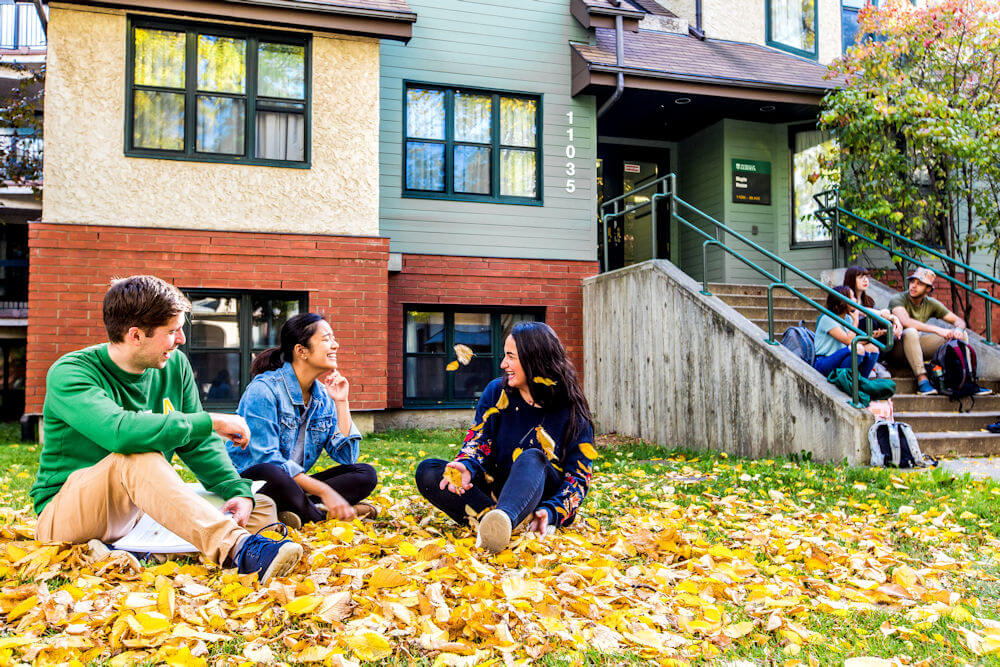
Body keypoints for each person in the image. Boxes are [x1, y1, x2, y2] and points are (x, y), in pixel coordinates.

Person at [30, 276, 302, 583]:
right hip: (65, 513)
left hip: (136, 511)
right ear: (135, 335)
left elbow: (196, 444)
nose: (182, 339)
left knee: (255, 503)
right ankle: (241, 549)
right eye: (172, 331)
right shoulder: (71, 373)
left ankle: (127, 552)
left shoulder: (175, 366)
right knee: (135, 456)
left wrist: (235, 489)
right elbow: (121, 433)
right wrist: (211, 421)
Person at [415, 321, 595, 554]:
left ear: (535, 360)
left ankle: (506, 521)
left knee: (533, 457)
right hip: (496, 491)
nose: (503, 364)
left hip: (541, 499)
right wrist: (466, 466)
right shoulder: (495, 392)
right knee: (429, 471)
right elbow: (478, 441)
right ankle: (498, 522)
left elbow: (579, 479)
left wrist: (552, 512)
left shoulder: (572, 410)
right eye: (504, 356)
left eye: (511, 356)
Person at [226, 313, 377, 529]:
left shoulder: (323, 396)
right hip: (252, 482)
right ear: (301, 351)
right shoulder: (264, 389)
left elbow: (346, 456)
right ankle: (319, 517)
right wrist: (324, 491)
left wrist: (341, 402)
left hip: (292, 485)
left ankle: (293, 511)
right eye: (326, 339)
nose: (335, 345)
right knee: (274, 472)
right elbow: (267, 459)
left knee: (364, 474)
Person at [888, 267, 991, 396]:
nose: (913, 286)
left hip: (916, 346)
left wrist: (958, 330)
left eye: (919, 283)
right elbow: (905, 321)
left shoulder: (930, 304)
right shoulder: (898, 299)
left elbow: (959, 321)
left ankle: (965, 379)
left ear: (928, 289)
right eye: (912, 281)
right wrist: (938, 330)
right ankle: (922, 380)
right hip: (895, 349)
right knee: (911, 331)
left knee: (961, 335)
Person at [813, 286, 880, 378]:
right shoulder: (827, 319)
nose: (855, 300)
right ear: (841, 301)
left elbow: (854, 341)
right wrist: (856, 321)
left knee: (873, 348)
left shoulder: (848, 318)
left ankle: (860, 383)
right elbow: (849, 341)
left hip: (843, 357)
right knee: (858, 348)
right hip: (824, 362)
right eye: (852, 297)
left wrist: (871, 337)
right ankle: (846, 381)